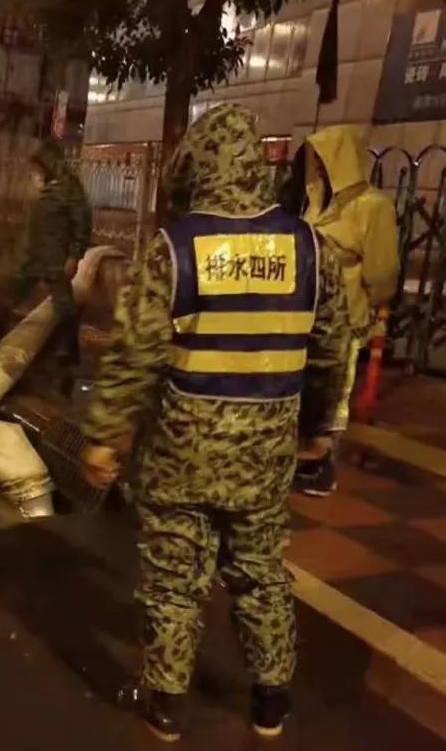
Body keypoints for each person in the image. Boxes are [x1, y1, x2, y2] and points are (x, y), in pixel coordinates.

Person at [81, 104, 350, 742]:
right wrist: (318, 427)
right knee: (260, 572)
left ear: (197, 167)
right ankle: (271, 702)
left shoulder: (175, 250)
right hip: (265, 457)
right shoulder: (310, 248)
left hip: (180, 453)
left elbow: (135, 353)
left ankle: (167, 706)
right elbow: (332, 350)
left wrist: (106, 435)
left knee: (175, 579)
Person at [292, 125, 399, 496]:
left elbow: (382, 270)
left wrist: (371, 312)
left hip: (344, 318)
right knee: (306, 391)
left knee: (333, 394)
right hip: (305, 316)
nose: (318, 169)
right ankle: (303, 458)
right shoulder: (317, 201)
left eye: (324, 160)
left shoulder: (373, 207)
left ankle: (322, 466)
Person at [14, 138, 92, 391]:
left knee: (64, 307)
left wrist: (74, 256)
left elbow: (82, 224)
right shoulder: (49, 187)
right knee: (10, 295)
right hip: (35, 258)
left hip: (55, 260)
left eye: (39, 166)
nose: (36, 172)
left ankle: (68, 357)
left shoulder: (70, 188)